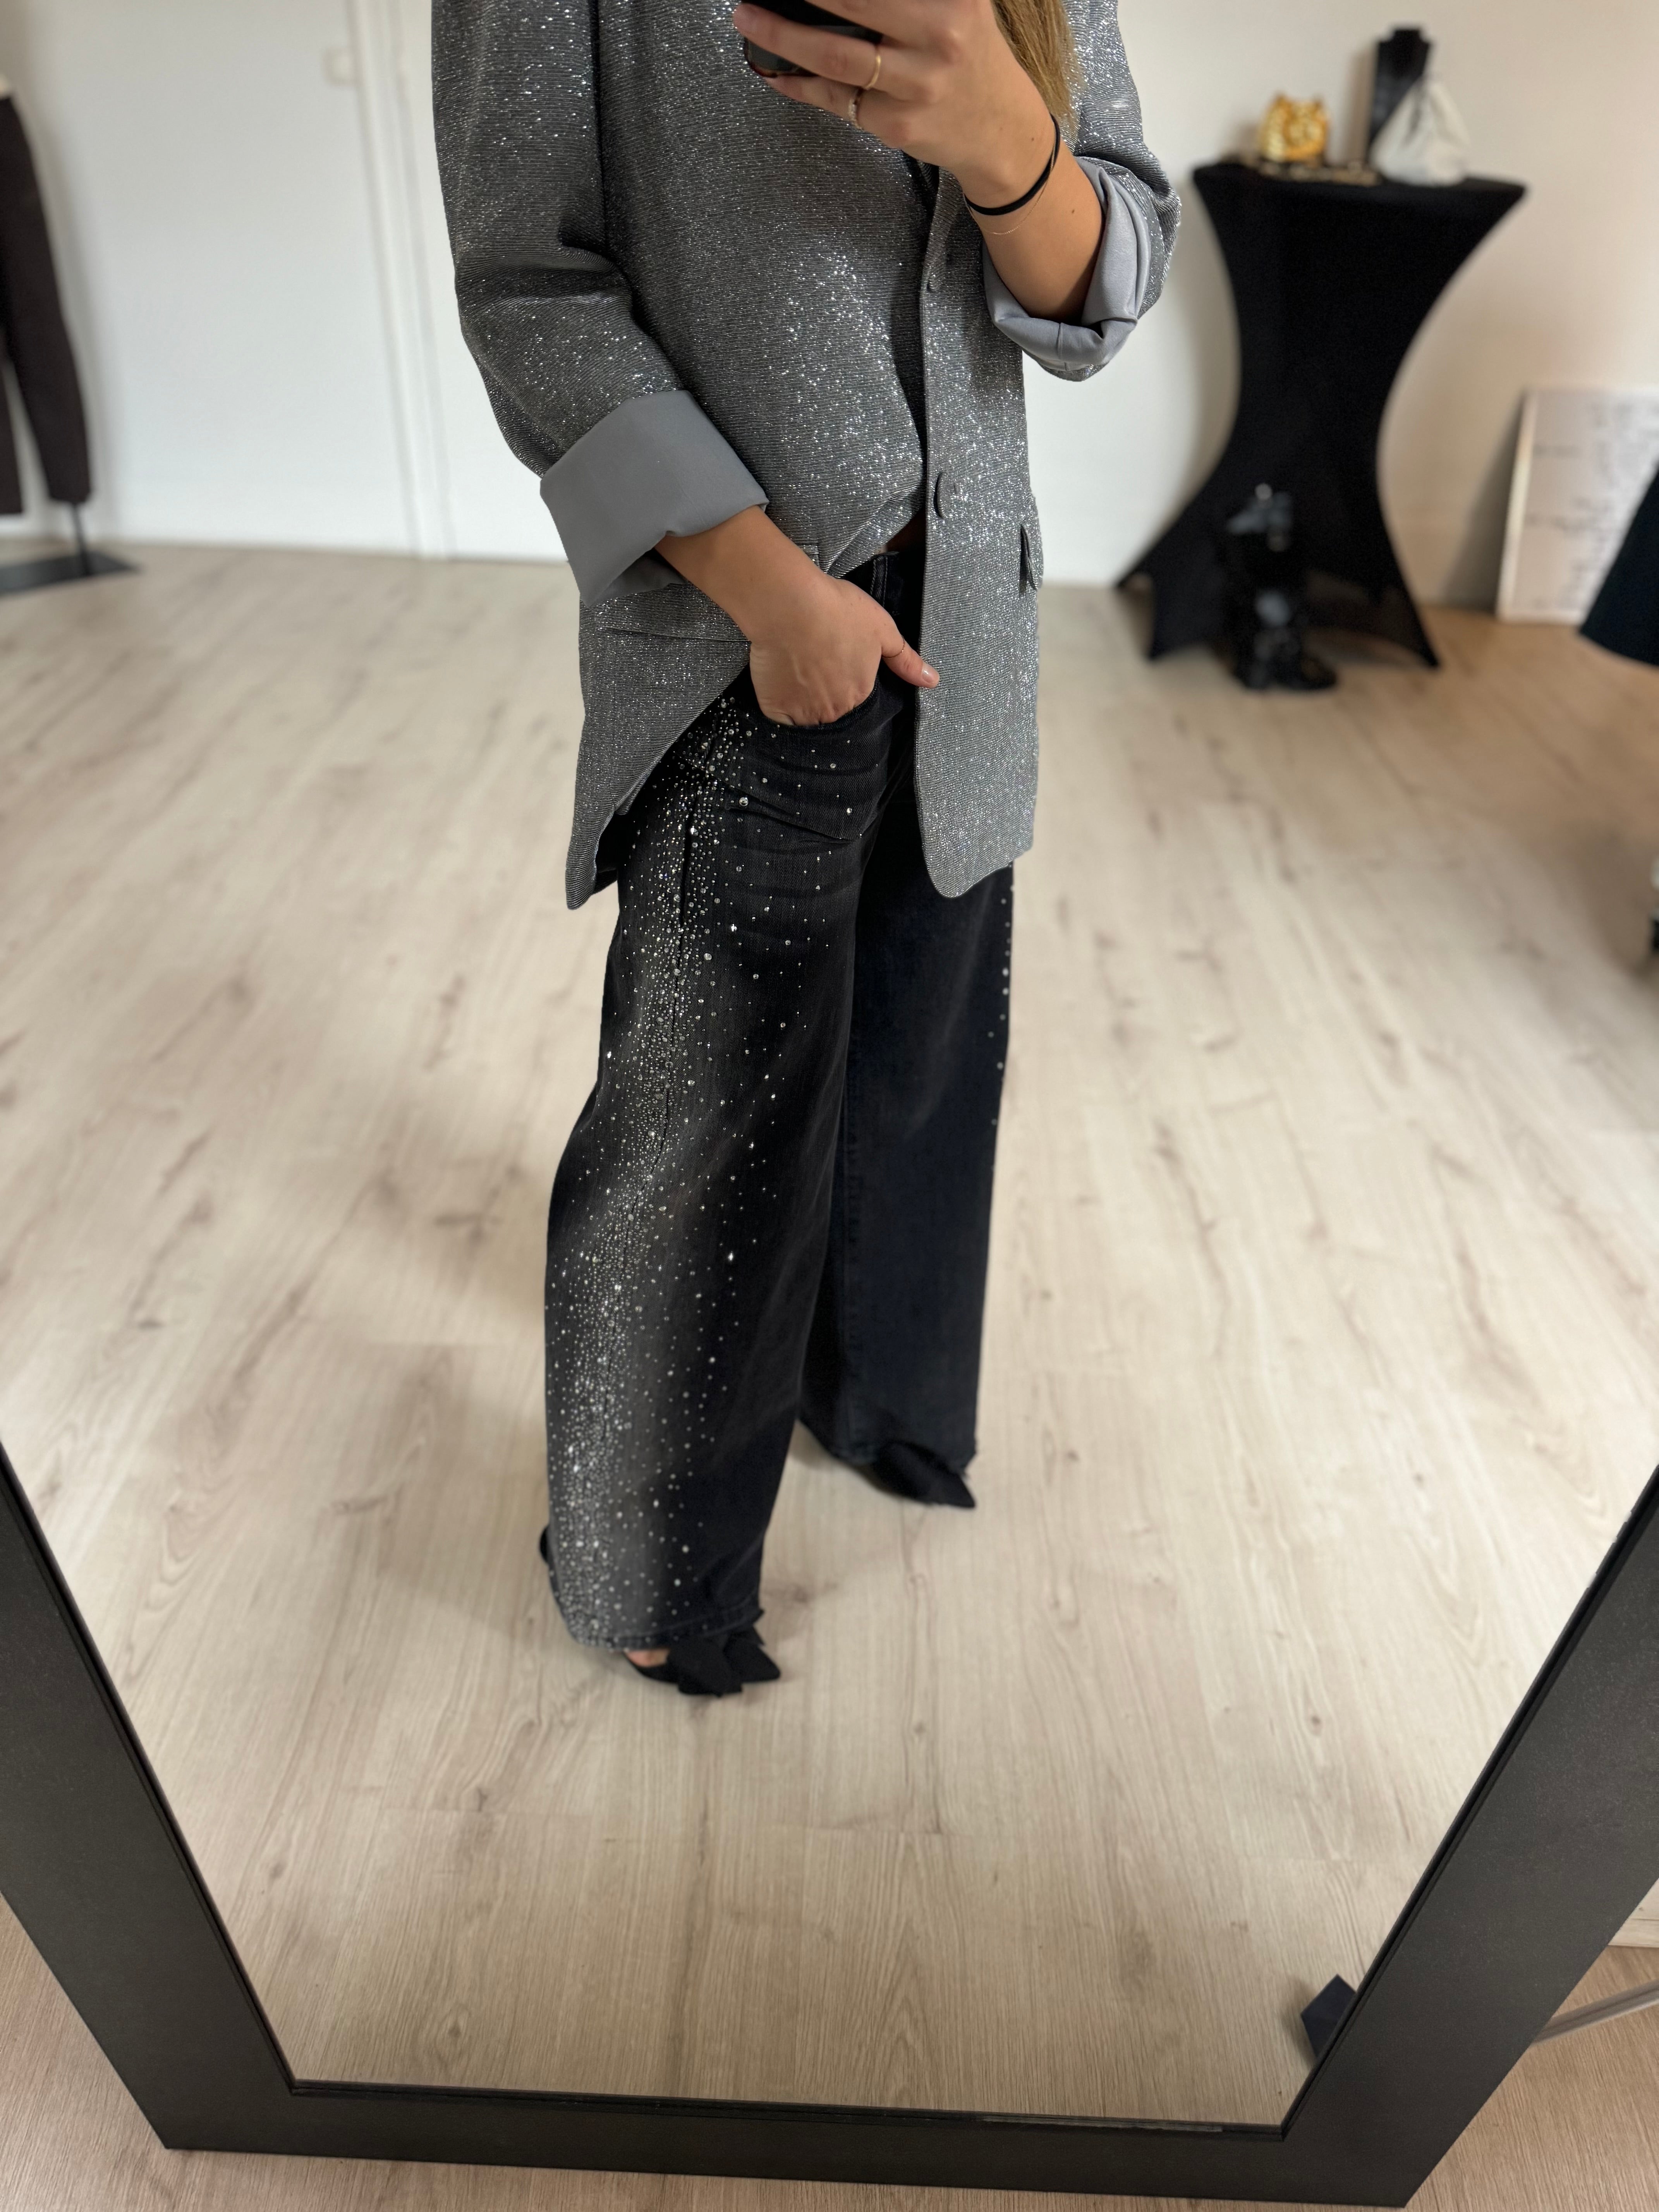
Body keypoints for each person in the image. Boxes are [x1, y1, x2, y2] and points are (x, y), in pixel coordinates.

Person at [433, 0, 1177, 1695]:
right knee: (704, 1109)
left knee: (924, 1047)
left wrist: (1006, 143)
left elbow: (1107, 272)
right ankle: (647, 1559)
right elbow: (528, 289)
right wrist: (774, 594)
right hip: (735, 618)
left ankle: (875, 1395)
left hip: (972, 598)